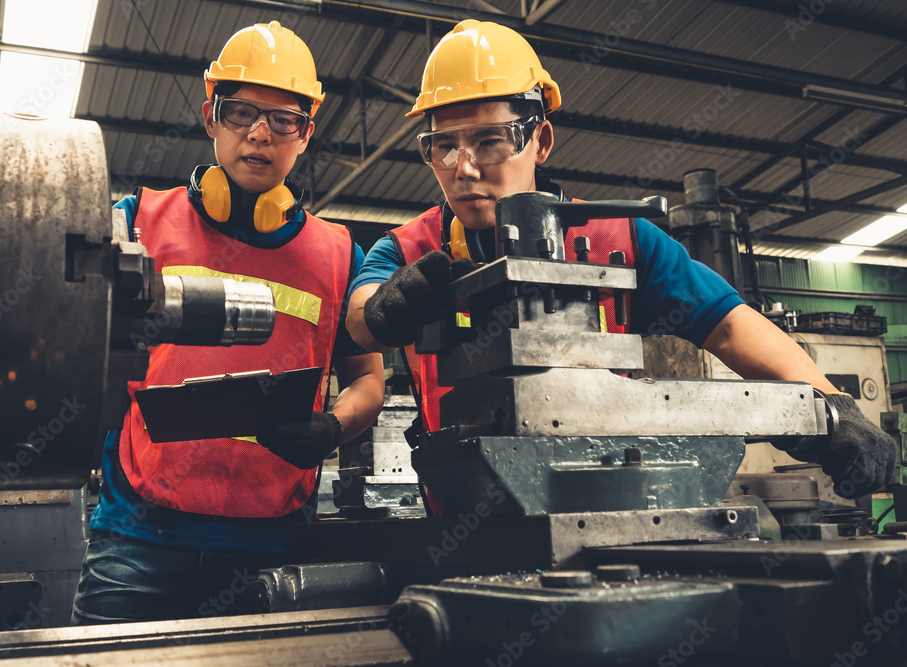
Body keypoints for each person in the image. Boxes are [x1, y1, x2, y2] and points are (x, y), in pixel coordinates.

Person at [346, 19, 895, 500]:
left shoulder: (624, 240)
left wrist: (833, 404)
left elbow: (729, 327)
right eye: (444, 145)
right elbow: (362, 317)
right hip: (458, 516)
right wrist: (389, 308)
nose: (463, 167)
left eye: (491, 141)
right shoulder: (408, 249)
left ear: (541, 140)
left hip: (612, 509)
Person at [71, 21, 385, 624]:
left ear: (306, 134)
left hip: (274, 546)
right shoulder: (137, 221)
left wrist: (332, 428)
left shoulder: (339, 254)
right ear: (211, 116)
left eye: (283, 120)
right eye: (240, 112)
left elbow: (369, 381)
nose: (260, 134)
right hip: (139, 540)